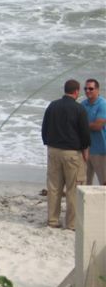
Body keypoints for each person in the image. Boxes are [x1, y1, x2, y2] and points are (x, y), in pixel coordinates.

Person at [41, 79, 91, 230]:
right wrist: (85, 151)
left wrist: (47, 143)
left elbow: (44, 128)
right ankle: (71, 223)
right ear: (76, 91)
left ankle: (52, 220)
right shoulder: (79, 109)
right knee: (73, 188)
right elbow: (85, 134)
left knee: (54, 187)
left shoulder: (52, 105)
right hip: (72, 153)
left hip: (53, 150)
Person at [82, 78, 106, 185]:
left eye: (91, 89)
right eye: (85, 89)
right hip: (85, 149)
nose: (88, 91)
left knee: (103, 183)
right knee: (84, 183)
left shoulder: (103, 104)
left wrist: (82, 125)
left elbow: (98, 126)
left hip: (101, 150)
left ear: (97, 89)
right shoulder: (83, 104)